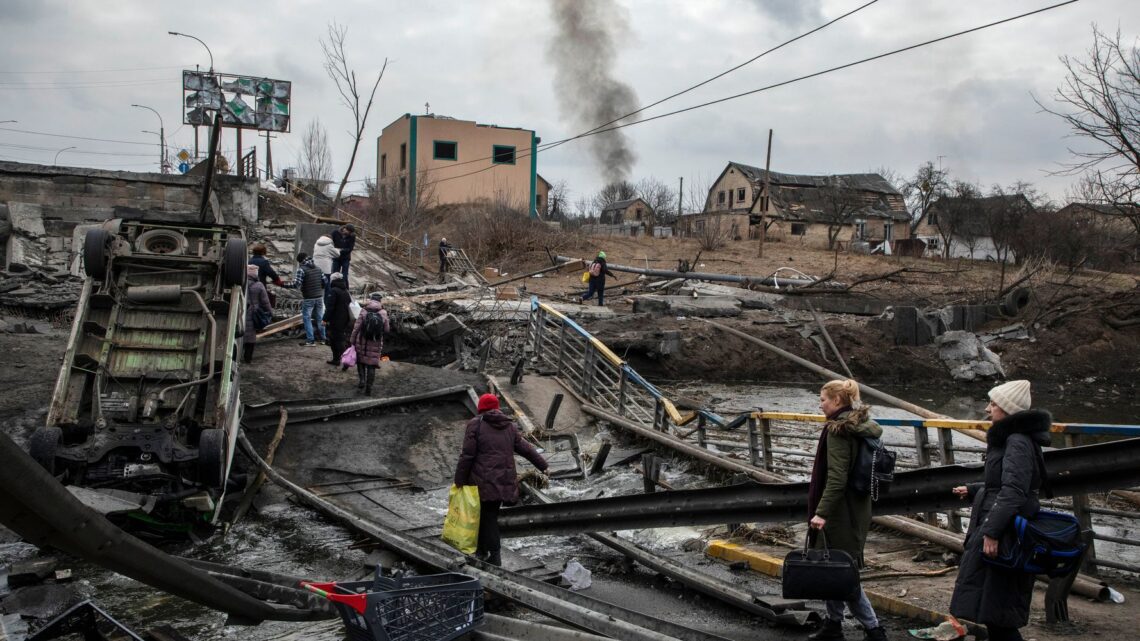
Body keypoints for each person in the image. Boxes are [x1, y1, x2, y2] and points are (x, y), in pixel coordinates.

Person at [950, 380, 1049, 641]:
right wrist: (973, 490)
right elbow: (1004, 484)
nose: (987, 409)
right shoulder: (1014, 439)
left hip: (1004, 533)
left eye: (993, 404)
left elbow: (1015, 491)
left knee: (999, 613)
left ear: (1007, 408)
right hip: (1001, 525)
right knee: (993, 611)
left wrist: (991, 532)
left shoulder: (1016, 441)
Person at [806, 379, 888, 641]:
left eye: (823, 400)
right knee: (833, 566)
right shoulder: (859, 426)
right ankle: (833, 624)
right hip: (856, 506)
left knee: (843, 572)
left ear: (837, 402)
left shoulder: (838, 430)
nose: (820, 405)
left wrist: (822, 512)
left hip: (841, 512)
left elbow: (837, 477)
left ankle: (874, 630)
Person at [453, 393, 548, 566]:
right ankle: (481, 551)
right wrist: (543, 465)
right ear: (497, 408)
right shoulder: (509, 426)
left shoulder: (476, 424)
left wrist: (459, 480)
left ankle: (495, 557)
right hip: (503, 481)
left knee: (486, 517)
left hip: (482, 481)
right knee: (486, 515)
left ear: (481, 408)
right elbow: (525, 449)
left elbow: (467, 455)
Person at [349, 292, 389, 395]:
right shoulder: (383, 312)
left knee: (361, 361)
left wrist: (352, 340)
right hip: (375, 342)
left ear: (370, 300)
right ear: (380, 301)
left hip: (362, 340)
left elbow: (356, 327)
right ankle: (369, 388)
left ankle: (362, 380)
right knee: (371, 365)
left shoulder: (364, 310)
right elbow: (387, 329)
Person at [292, 252, 328, 347]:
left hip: (309, 298)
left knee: (307, 318)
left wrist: (283, 284)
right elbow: (325, 281)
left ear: (300, 261)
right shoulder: (318, 268)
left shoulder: (301, 270)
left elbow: (297, 284)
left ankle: (310, 340)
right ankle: (323, 339)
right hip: (319, 297)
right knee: (320, 318)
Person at [243, 264, 271, 364]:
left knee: (240, 334)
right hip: (253, 313)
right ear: (256, 274)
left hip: (241, 312)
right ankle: (248, 359)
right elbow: (265, 301)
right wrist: (269, 312)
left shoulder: (241, 284)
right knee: (250, 338)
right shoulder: (259, 285)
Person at [323, 272, 353, 367]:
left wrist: (324, 319)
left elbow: (330, 307)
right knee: (338, 339)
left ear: (333, 280)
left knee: (336, 340)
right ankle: (337, 359)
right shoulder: (345, 290)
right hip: (344, 319)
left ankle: (345, 359)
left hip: (336, 320)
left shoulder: (334, 291)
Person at [248, 243, 283, 307]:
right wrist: (277, 281)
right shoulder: (263, 262)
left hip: (249, 286)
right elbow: (271, 273)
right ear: (263, 252)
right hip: (260, 286)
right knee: (263, 304)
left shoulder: (249, 261)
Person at [312, 233, 340, 301]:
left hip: (315, 267)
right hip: (325, 268)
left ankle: (316, 300)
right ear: (330, 239)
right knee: (327, 286)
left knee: (316, 285)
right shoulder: (329, 245)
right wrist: (337, 249)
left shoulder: (316, 244)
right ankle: (326, 301)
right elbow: (337, 254)